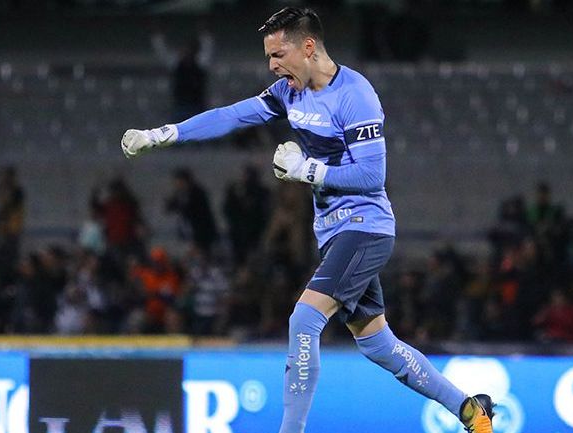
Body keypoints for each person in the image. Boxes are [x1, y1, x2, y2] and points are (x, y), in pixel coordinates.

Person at [121, 7, 494, 433]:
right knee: (378, 344)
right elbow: (232, 114)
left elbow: (373, 175)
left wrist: (308, 171)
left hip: (365, 227)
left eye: (278, 55)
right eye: (268, 57)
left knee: (304, 319)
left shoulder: (356, 94)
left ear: (309, 47)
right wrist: (166, 133)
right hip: (334, 233)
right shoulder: (288, 92)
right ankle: (469, 409)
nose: (272, 66)